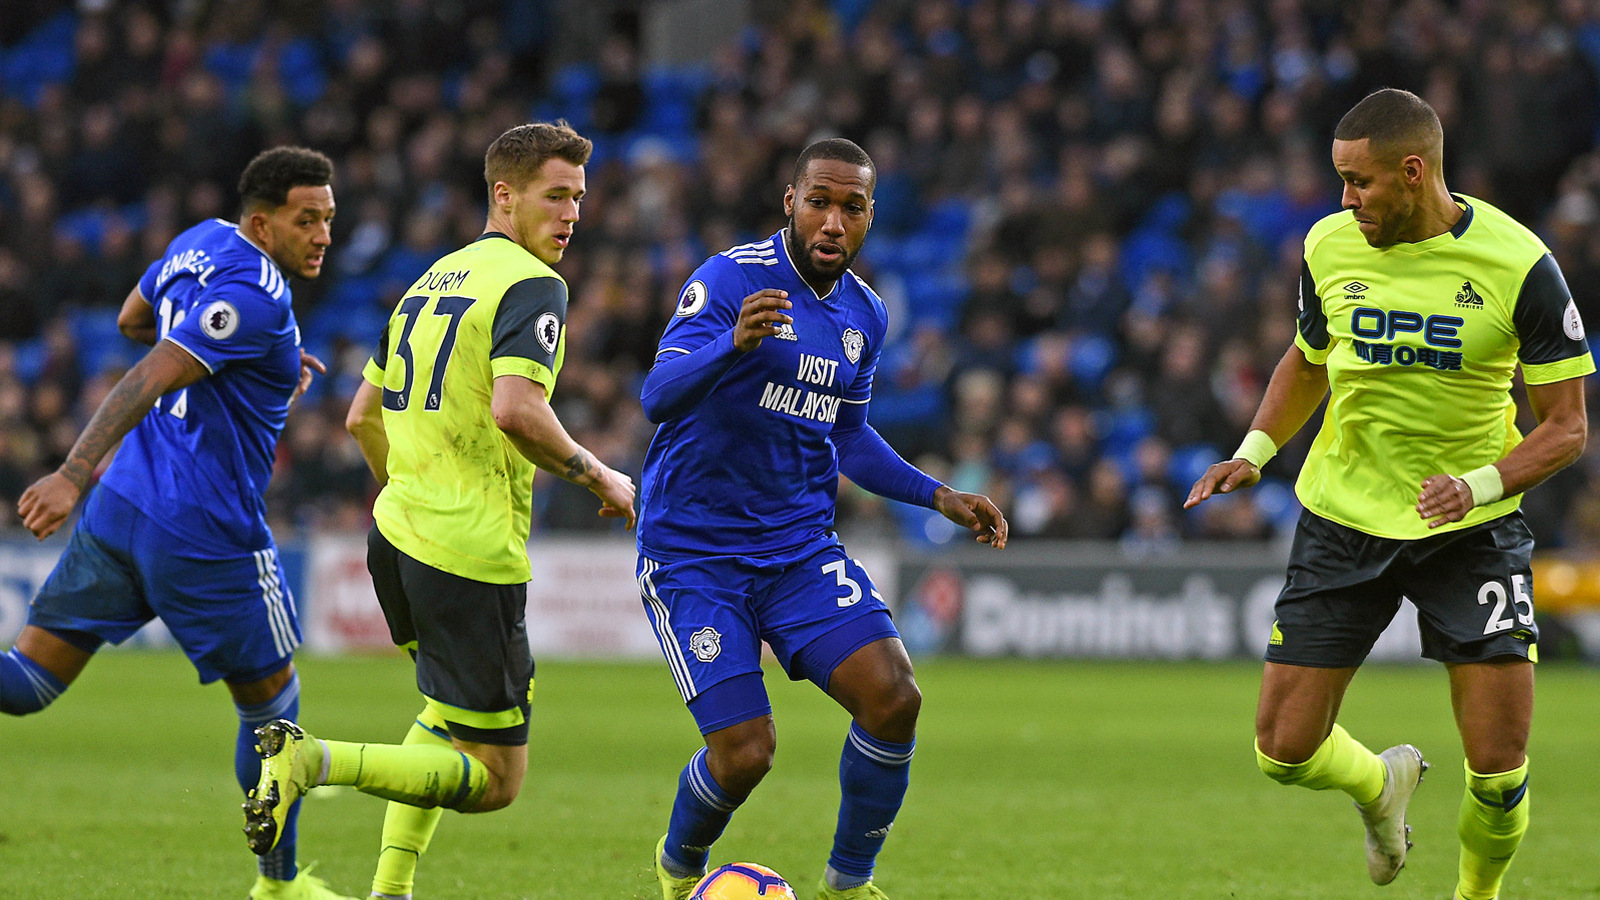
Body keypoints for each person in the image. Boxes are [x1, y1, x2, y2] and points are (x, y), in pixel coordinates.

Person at [1186, 89, 1591, 900]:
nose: (1345, 199)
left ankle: (1476, 895)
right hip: (1344, 518)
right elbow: (1307, 359)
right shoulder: (1330, 246)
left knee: (1498, 772)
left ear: (1414, 171)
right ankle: (1381, 789)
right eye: (1340, 182)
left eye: (1359, 182)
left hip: (1471, 529)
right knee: (1283, 750)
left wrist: (1475, 485)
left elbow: (1567, 428)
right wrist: (1256, 450)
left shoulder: (1519, 265)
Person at [243, 121, 636, 900]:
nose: (571, 215)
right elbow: (518, 411)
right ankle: (310, 761)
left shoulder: (432, 280)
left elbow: (361, 415)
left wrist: (410, 492)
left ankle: (390, 889)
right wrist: (602, 476)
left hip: (396, 540)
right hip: (467, 552)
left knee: (442, 712)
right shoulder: (533, 285)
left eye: (579, 199)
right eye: (555, 196)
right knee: (496, 780)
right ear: (504, 196)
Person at [637, 137, 1009, 900]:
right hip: (694, 551)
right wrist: (732, 348)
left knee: (895, 697)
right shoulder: (732, 279)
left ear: (871, 216)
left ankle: (848, 885)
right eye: (820, 202)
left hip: (797, 549)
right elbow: (659, 395)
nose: (833, 222)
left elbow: (845, 434)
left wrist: (938, 494)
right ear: (791, 204)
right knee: (746, 753)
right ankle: (678, 872)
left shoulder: (865, 315)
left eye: (852, 206)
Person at [1, 147, 348, 900]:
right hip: (204, 530)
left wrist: (262, 363)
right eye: (306, 219)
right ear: (264, 222)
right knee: (274, 712)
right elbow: (150, 367)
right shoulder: (258, 300)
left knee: (25, 683)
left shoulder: (201, 239)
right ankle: (280, 886)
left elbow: (134, 320)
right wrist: (68, 472)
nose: (324, 233)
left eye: (328, 217)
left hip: (122, 508)